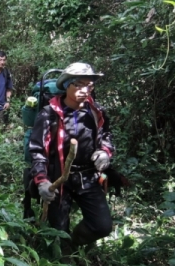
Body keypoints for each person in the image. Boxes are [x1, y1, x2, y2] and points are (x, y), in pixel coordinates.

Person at [29, 62, 114, 256]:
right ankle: (58, 263)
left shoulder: (96, 111)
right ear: (67, 85)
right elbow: (37, 150)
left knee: (102, 226)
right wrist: (42, 181)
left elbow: (106, 137)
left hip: (88, 177)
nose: (86, 90)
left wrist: (105, 153)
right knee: (58, 230)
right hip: (58, 178)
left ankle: (73, 245)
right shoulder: (49, 114)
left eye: (90, 86)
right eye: (79, 85)